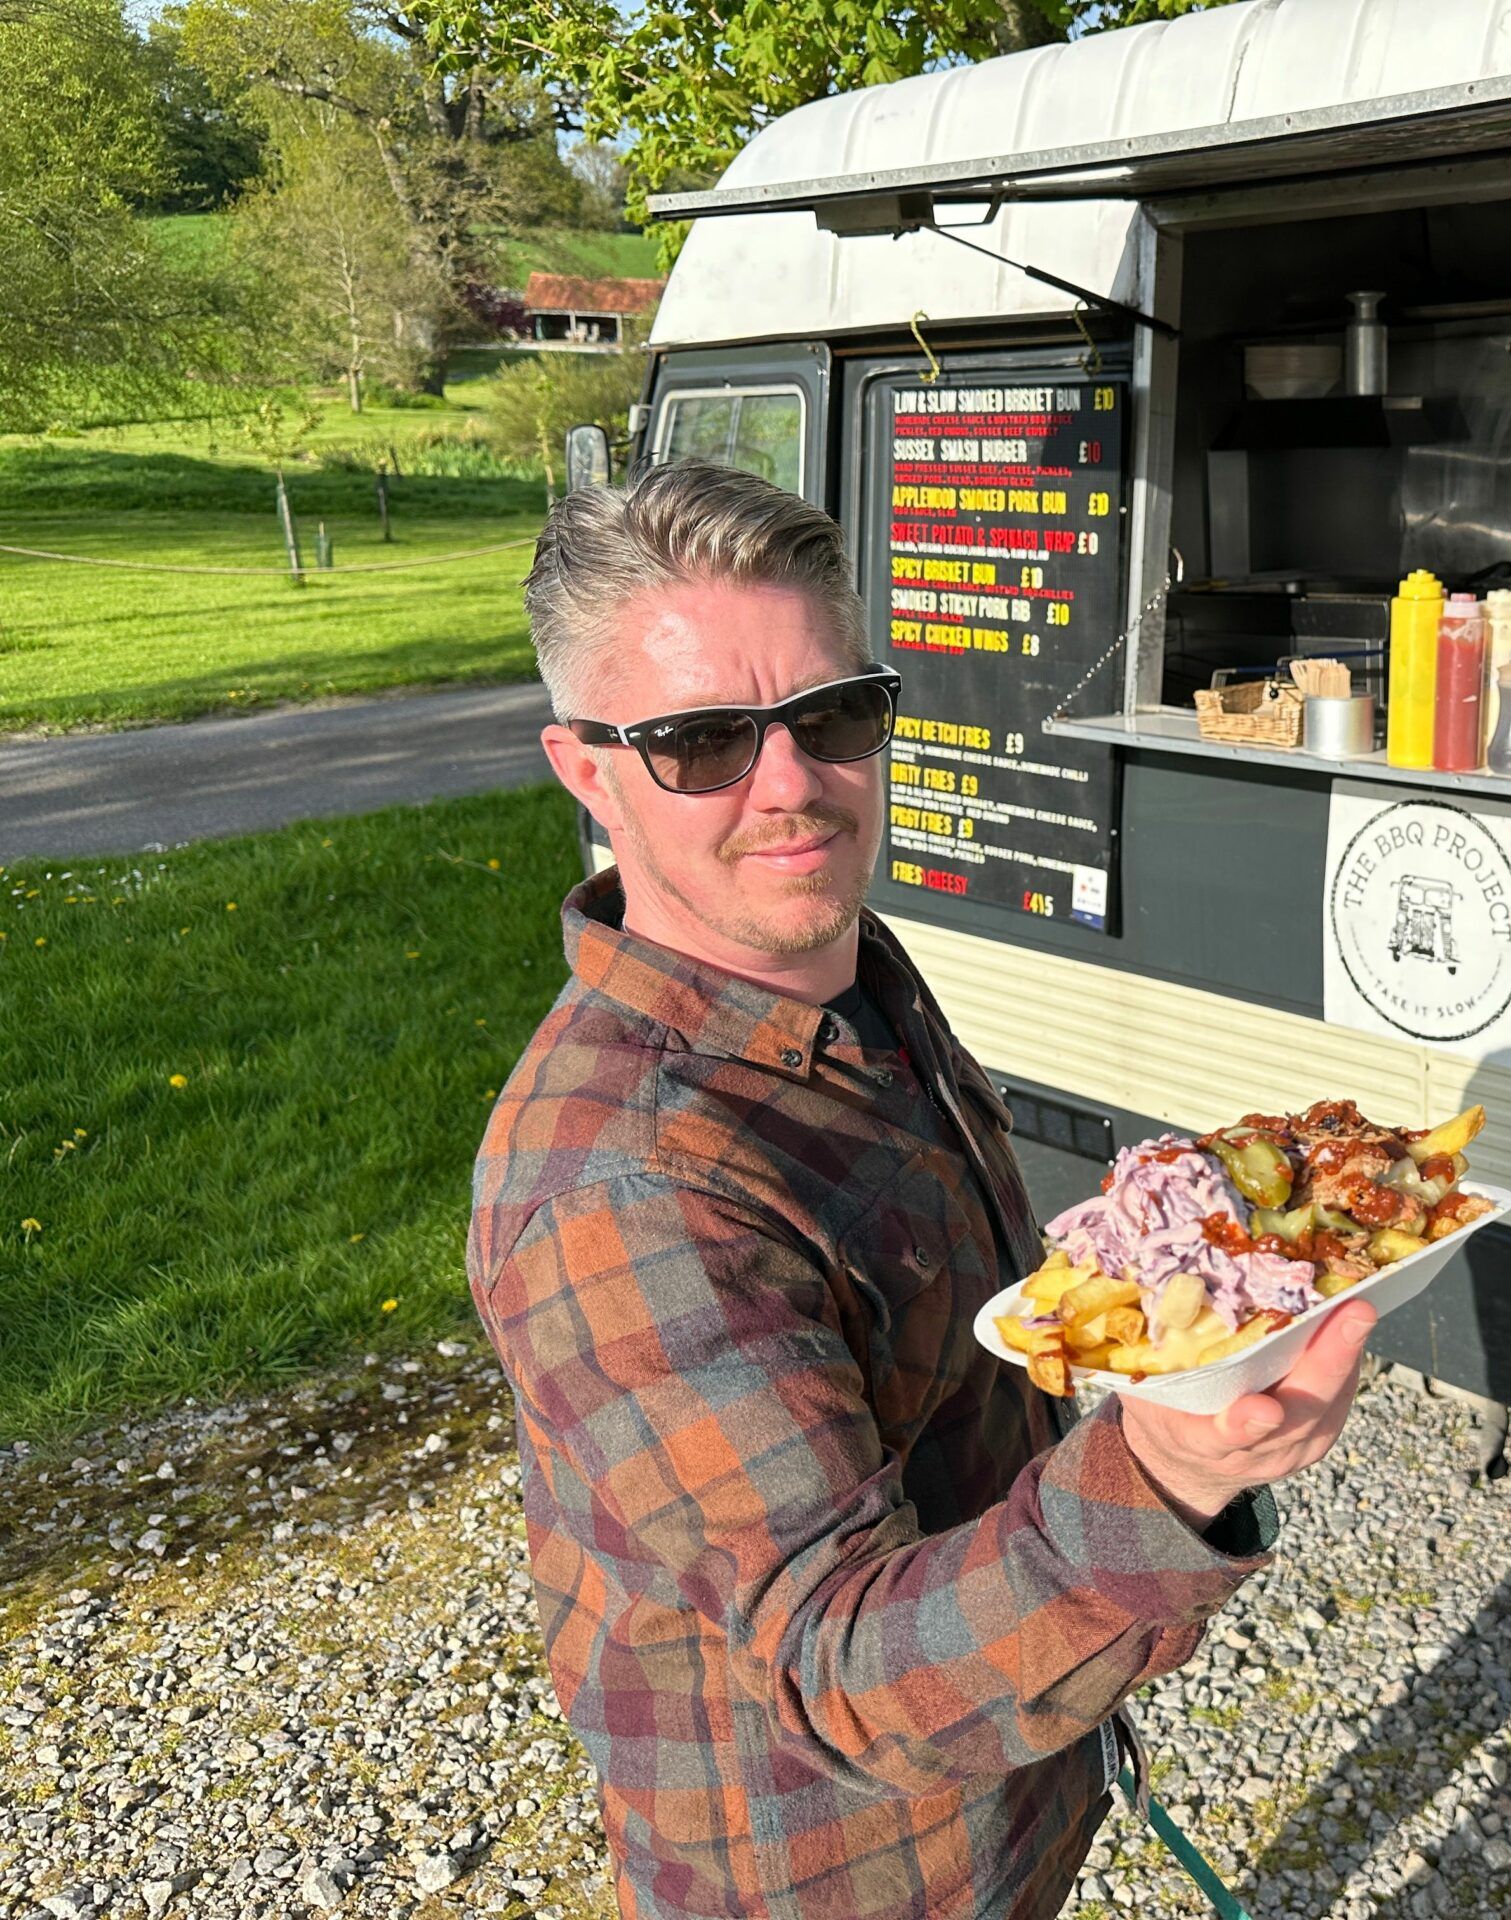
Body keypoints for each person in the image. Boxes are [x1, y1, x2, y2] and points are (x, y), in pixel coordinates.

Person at [468, 460, 1377, 1920]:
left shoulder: (846, 978)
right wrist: (1173, 1475)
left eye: (831, 718)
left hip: (1013, 1786)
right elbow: (843, 1672)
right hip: (844, 1874)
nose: (792, 788)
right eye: (701, 742)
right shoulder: (625, 1187)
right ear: (586, 769)